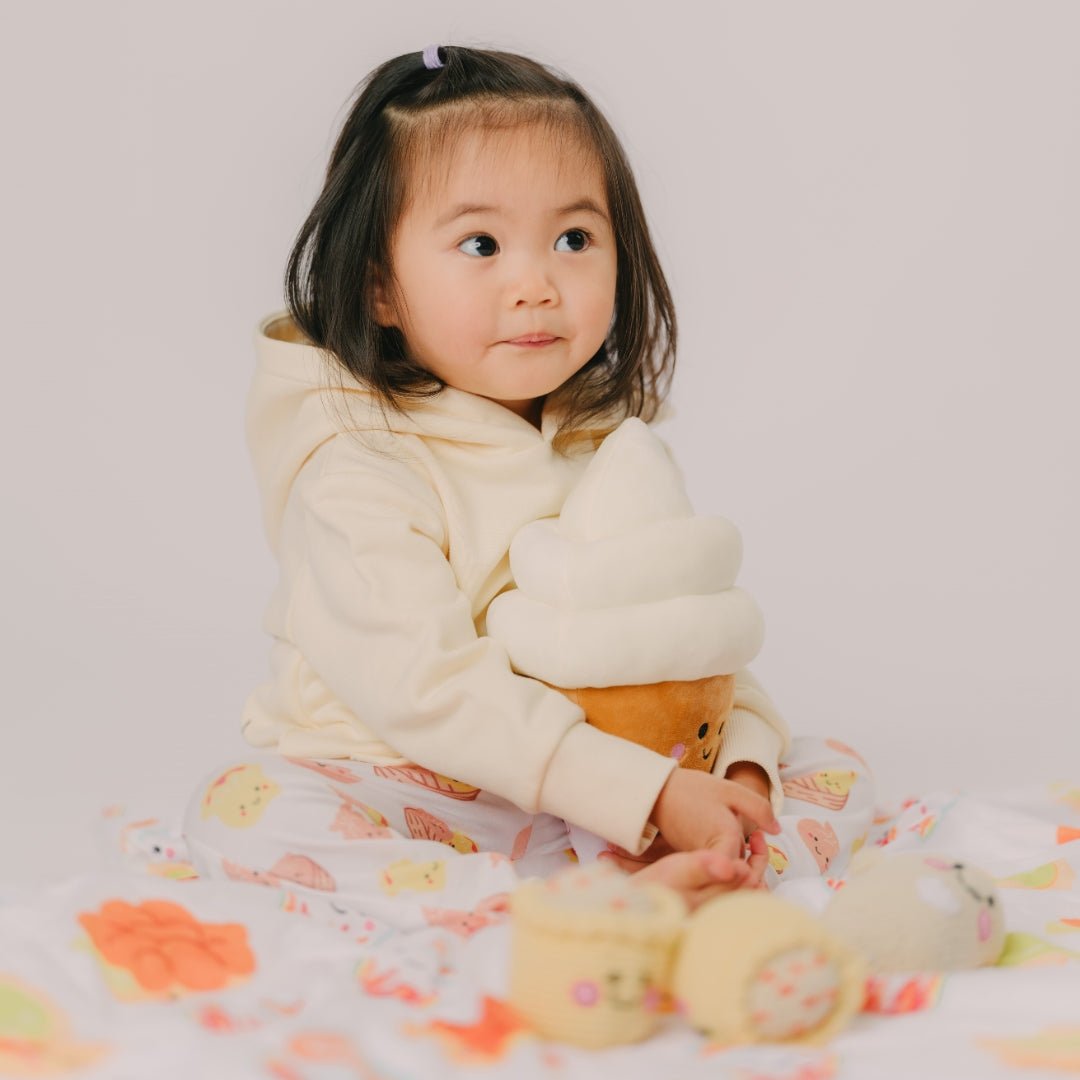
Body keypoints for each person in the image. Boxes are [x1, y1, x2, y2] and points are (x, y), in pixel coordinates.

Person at [182, 44, 874, 930]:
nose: (536, 285)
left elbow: (683, 638)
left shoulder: (605, 443)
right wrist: (647, 793)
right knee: (243, 814)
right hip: (397, 777)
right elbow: (416, 683)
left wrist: (735, 765)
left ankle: (676, 870)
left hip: (588, 790)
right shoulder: (354, 461)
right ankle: (557, 908)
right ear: (382, 288)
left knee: (833, 766)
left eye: (574, 239)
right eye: (481, 244)